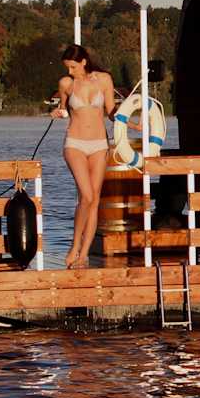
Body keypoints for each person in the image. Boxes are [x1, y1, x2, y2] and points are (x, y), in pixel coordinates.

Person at [51, 43, 114, 268]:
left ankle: (84, 254)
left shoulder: (104, 80)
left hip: (99, 144)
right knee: (86, 196)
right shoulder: (66, 84)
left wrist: (129, 123)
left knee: (94, 200)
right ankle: (74, 245)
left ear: (84, 62)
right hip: (75, 143)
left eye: (73, 67)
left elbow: (111, 110)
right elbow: (64, 108)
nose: (70, 71)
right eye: (67, 67)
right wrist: (57, 111)